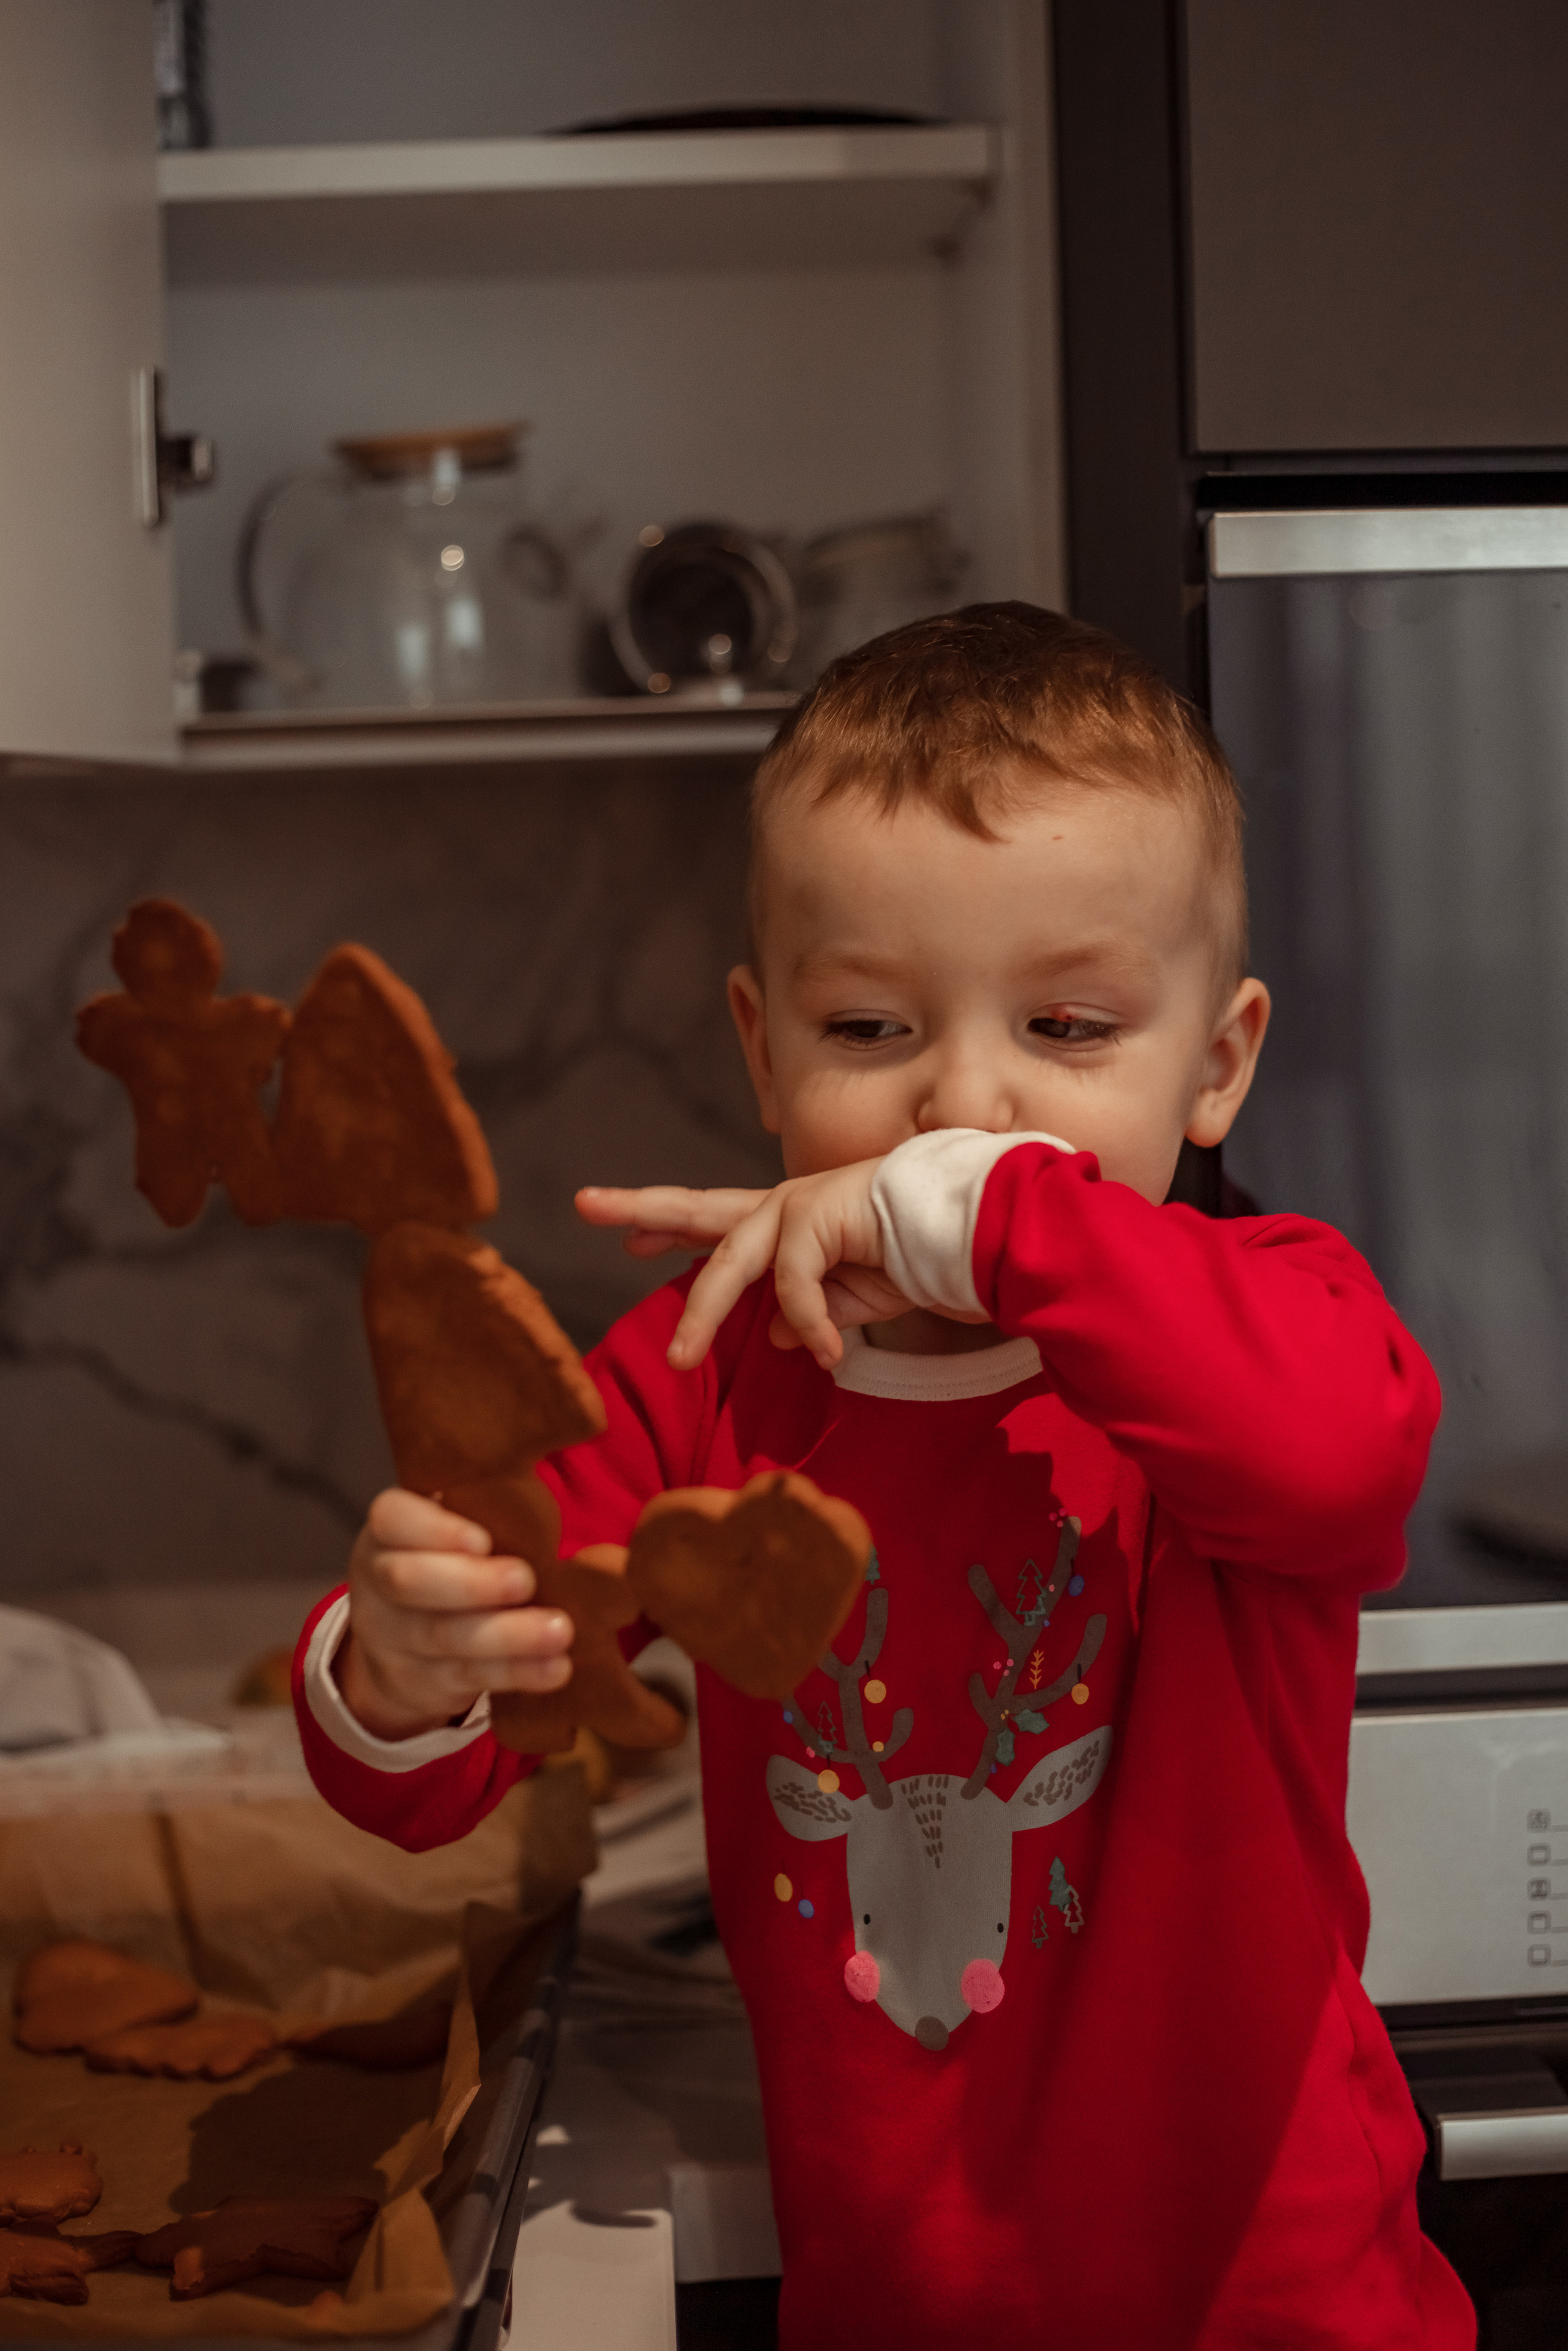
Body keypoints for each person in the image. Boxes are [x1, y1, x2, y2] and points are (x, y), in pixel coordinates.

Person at [293, 604, 1474, 2350]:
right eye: (869, 1031)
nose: (965, 1101)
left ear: (1216, 1064)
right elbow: (442, 1774)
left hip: (1280, 2305)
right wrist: (398, 1668)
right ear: (762, 1048)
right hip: (895, 2304)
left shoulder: (1271, 1316)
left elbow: (1336, 1464)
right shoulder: (708, 1367)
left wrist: (988, 1222)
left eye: (1068, 1027)